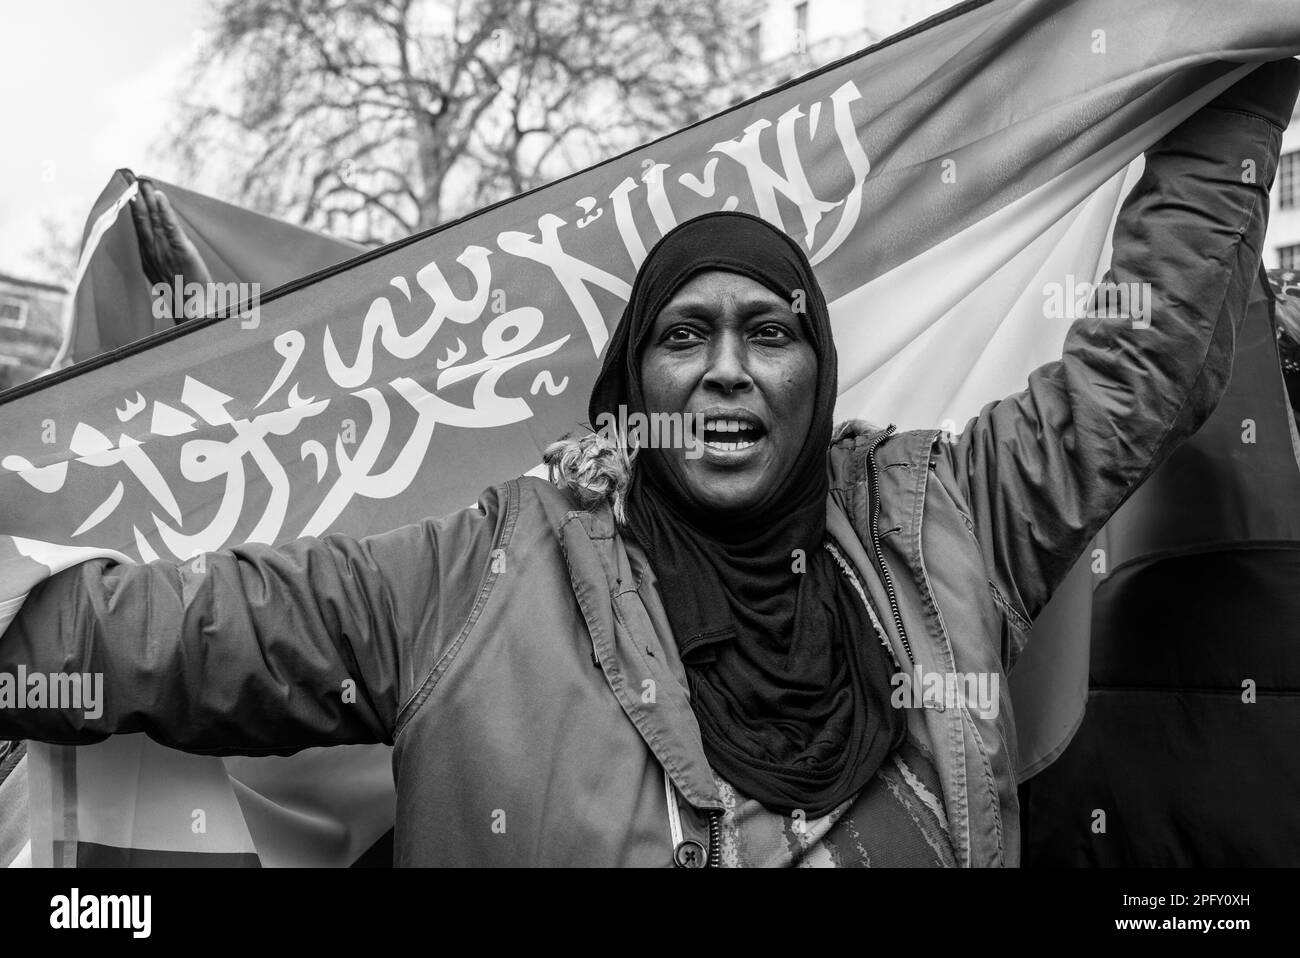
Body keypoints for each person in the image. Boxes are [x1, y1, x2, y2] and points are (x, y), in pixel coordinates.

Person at [2, 60, 1297, 867]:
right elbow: (200, 633)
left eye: (770, 331)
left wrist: (1230, 46)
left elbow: (1145, 368)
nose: (729, 367)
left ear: (819, 372)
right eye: (685, 332)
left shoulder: (950, 517)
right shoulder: (480, 571)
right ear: (634, 380)